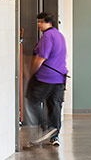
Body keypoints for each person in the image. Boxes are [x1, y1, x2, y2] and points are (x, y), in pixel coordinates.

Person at [26, 9, 68, 146]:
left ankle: (45, 127)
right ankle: (54, 135)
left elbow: (41, 57)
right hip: (60, 77)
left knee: (32, 100)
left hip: (46, 76)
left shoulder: (47, 36)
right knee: (55, 105)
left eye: (41, 22)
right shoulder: (59, 35)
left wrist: (32, 72)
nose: (38, 24)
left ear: (48, 23)